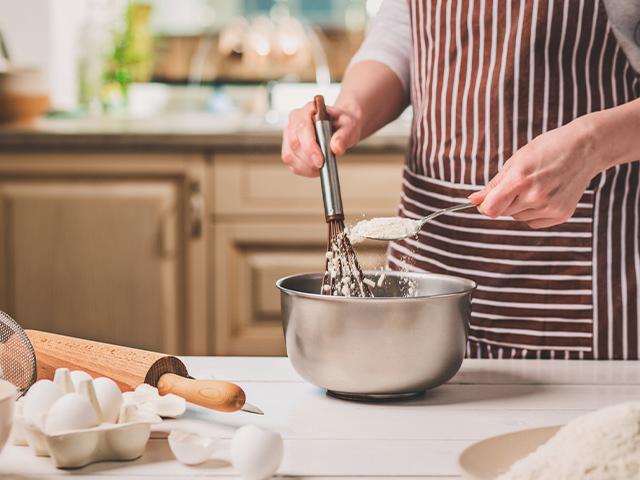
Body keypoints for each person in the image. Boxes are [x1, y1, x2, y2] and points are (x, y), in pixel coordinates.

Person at [282, 0, 640, 360]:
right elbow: (401, 32)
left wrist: (590, 146)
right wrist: (353, 109)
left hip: (577, 275)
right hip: (430, 257)